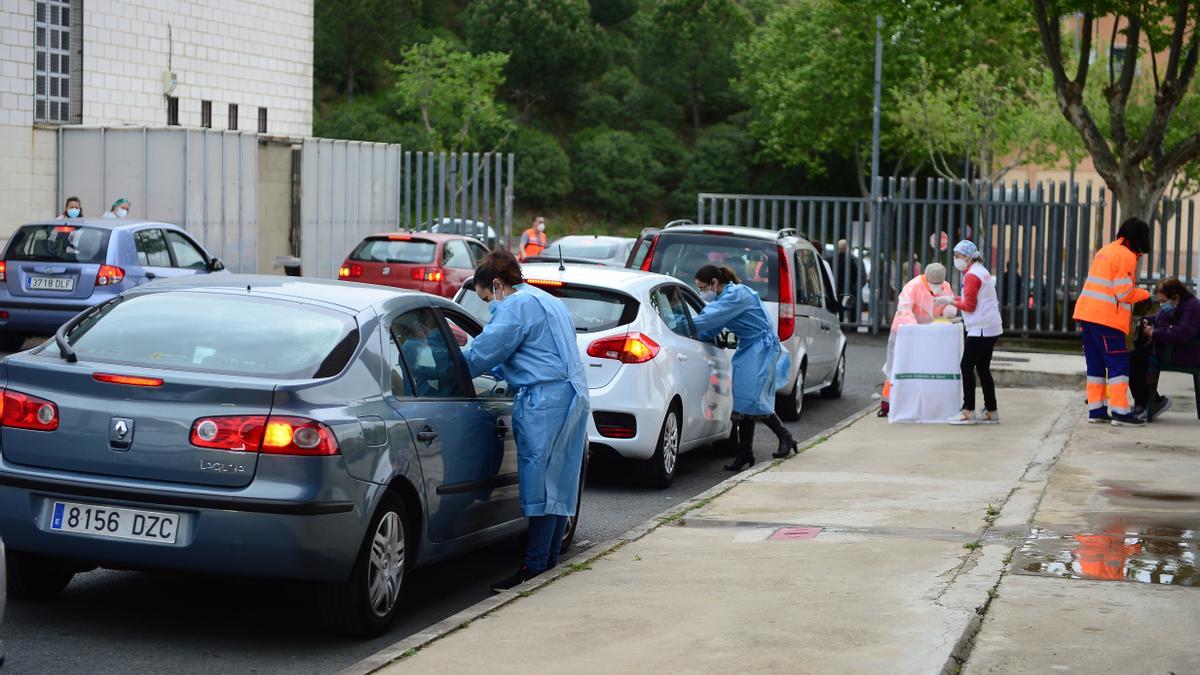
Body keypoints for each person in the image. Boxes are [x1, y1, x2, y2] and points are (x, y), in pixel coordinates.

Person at [462, 250, 589, 592]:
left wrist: (445, 362)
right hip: (571, 395)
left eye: (487, 298)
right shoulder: (545, 300)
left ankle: (534, 566)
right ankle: (547, 562)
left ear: (499, 285)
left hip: (544, 399)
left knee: (539, 479)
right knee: (559, 478)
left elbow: (481, 353)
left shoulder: (515, 306)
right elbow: (529, 352)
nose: (490, 306)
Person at [692, 264, 781, 471]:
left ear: (714, 282)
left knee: (750, 399)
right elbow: (710, 327)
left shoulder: (735, 295)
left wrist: (676, 324)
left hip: (760, 346)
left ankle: (784, 437)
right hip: (750, 347)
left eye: (702, 288)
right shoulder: (725, 299)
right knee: (743, 400)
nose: (701, 293)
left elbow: (705, 319)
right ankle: (746, 452)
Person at [1072, 218, 1152, 426]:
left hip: (1087, 315)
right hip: (1106, 319)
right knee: (1118, 364)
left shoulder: (1106, 250)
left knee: (1096, 364)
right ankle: (1120, 412)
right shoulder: (1126, 256)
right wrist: (1145, 294)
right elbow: (1124, 293)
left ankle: (1097, 409)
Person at [880, 262, 957, 416]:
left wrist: (950, 310)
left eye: (939, 284)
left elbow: (949, 303)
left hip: (928, 333)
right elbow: (904, 308)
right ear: (926, 278)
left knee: (924, 366)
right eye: (933, 284)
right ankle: (887, 403)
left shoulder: (945, 286)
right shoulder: (913, 286)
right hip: (904, 331)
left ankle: (923, 401)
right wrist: (913, 328)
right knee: (896, 365)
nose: (936, 287)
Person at [939, 240, 1004, 424]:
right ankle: (991, 410)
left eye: (958, 256)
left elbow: (969, 305)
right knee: (983, 369)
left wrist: (950, 302)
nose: (956, 259)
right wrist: (952, 298)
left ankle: (968, 411)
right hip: (991, 326)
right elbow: (971, 298)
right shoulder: (980, 271)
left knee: (966, 366)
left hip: (980, 328)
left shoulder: (971, 276)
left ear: (968, 257)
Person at [1130, 277, 1200, 420]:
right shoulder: (1178, 304)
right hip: (1172, 348)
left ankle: (1147, 402)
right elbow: (1159, 319)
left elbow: (1182, 333)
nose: (1162, 305)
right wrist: (1147, 321)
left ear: (1175, 297)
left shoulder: (1192, 307)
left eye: (1163, 301)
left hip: (1186, 353)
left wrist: (1154, 333)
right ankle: (1149, 402)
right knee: (1134, 357)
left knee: (1135, 359)